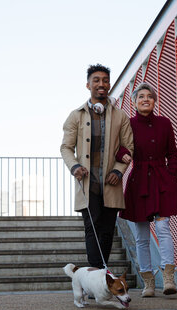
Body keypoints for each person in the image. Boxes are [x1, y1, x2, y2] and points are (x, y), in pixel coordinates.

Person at [117, 82, 177, 297]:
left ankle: (169, 278)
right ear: (133, 102)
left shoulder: (164, 123)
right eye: (141, 96)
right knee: (142, 236)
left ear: (154, 100)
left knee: (163, 229)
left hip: (161, 181)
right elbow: (120, 147)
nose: (145, 99)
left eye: (149, 96)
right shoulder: (128, 124)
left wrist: (171, 177)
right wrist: (121, 154)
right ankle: (148, 283)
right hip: (139, 181)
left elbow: (173, 153)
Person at [61, 64, 133, 269]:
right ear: (88, 85)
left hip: (111, 183)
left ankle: (100, 273)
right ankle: (96, 273)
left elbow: (128, 147)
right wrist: (74, 167)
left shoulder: (121, 116)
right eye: (96, 80)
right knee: (92, 228)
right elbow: (65, 147)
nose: (101, 84)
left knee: (107, 230)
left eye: (105, 80)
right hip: (88, 183)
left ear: (109, 84)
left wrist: (119, 171)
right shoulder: (76, 116)